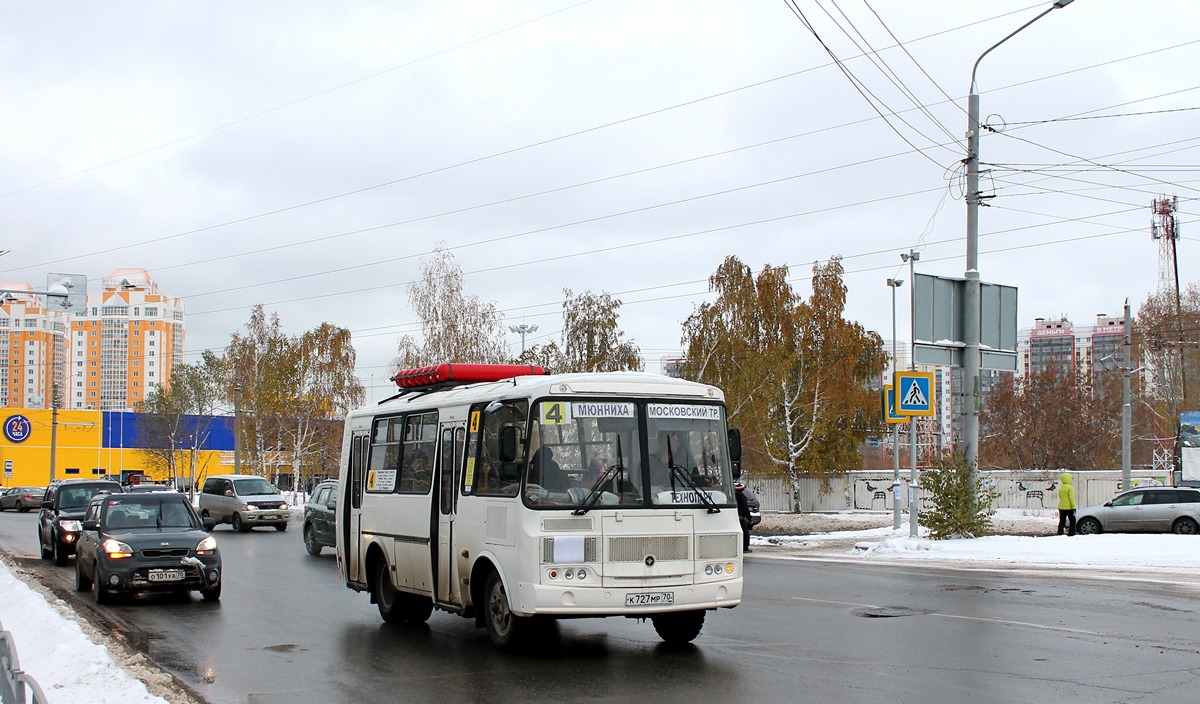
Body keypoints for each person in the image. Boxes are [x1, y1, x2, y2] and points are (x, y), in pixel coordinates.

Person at [1057, 471, 1076, 536]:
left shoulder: (1061, 488)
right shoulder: (1070, 487)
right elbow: (1071, 498)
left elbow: (1060, 496)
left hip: (1061, 507)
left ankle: (1060, 533)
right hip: (1069, 507)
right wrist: (1074, 507)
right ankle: (1071, 533)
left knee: (1062, 521)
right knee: (1072, 520)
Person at [735, 483, 753, 553]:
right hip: (741, 518)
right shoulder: (742, 497)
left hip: (733, 517)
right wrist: (749, 518)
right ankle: (745, 548)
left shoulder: (732, 497)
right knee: (745, 533)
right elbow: (745, 509)